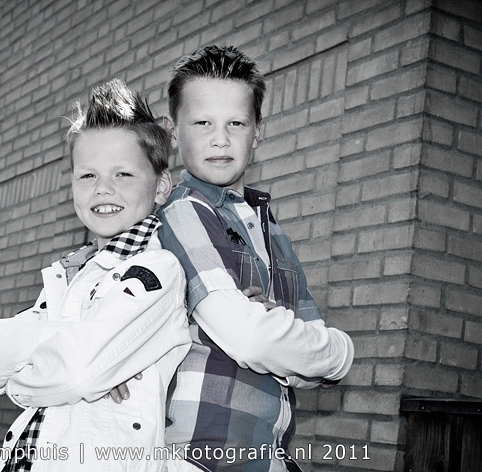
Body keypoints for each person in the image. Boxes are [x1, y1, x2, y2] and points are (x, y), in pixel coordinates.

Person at [0, 78, 191, 472]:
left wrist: (22, 379)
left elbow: (76, 373)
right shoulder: (70, 274)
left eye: (123, 175)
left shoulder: (156, 269)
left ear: (161, 187)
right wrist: (75, 349)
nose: (103, 189)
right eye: (88, 175)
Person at [156, 45, 355, 472]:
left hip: (268, 457)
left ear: (258, 132)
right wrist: (334, 350)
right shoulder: (183, 211)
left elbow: (311, 366)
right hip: (198, 456)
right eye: (203, 122)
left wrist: (318, 350)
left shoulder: (272, 231)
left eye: (236, 123)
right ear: (172, 132)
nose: (220, 138)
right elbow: (253, 341)